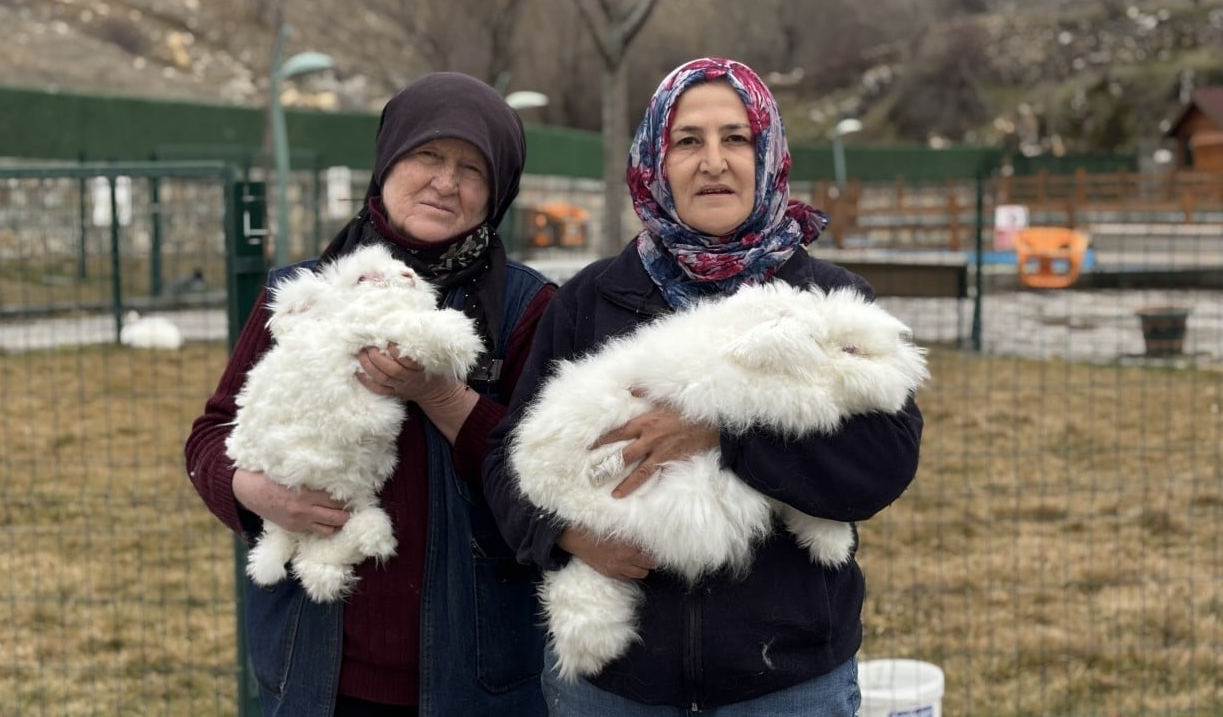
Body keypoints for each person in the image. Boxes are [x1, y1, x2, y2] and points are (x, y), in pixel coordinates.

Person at [483, 57, 924, 715]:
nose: (713, 161)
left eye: (736, 138)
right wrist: (565, 538)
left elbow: (883, 466)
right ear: (656, 161)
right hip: (615, 686)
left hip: (786, 684)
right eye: (688, 141)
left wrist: (723, 433)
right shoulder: (591, 300)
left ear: (767, 154)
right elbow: (505, 462)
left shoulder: (830, 298)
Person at [185, 71, 554, 717]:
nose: (446, 181)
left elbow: (545, 481)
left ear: (497, 194)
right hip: (316, 669)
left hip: (476, 676)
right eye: (428, 155)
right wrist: (255, 493)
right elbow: (211, 435)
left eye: (473, 169)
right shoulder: (302, 293)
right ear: (387, 162)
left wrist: (438, 393)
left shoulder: (527, 309)